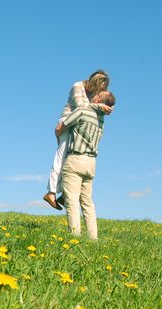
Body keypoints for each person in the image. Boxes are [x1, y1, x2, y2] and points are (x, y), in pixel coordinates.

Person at [43, 70, 113, 210]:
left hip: (80, 123)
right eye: (99, 89)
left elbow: (102, 104)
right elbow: (81, 107)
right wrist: (101, 106)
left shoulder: (95, 93)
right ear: (94, 83)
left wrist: (108, 105)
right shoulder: (78, 87)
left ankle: (64, 195)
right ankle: (51, 193)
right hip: (67, 122)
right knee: (62, 156)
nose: (98, 93)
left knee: (73, 160)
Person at [57, 90, 116, 239]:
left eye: (97, 95)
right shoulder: (101, 119)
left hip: (76, 159)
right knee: (87, 203)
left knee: (71, 200)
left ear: (98, 100)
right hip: (91, 163)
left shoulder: (83, 111)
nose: (94, 95)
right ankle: (93, 238)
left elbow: (62, 127)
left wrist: (58, 133)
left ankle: (75, 237)